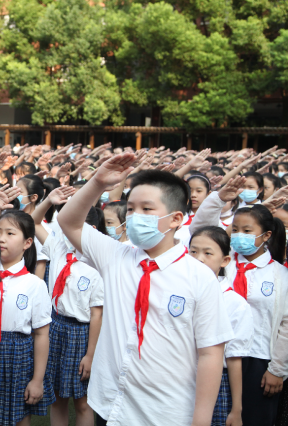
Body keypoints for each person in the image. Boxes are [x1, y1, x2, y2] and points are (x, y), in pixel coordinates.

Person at [57, 158, 233, 426]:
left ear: (175, 218)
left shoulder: (199, 277)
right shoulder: (116, 256)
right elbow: (68, 221)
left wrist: (201, 420)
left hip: (165, 411)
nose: (134, 216)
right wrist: (97, 182)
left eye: (146, 209)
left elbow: (210, 352)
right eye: (130, 209)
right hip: (111, 404)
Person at [191, 177, 288, 426]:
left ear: (266, 235)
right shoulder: (224, 261)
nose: (239, 236)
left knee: (255, 419)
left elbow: (286, 325)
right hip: (215, 352)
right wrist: (218, 198)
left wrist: (278, 369)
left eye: (247, 232)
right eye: (235, 230)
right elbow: (200, 229)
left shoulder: (280, 274)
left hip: (257, 358)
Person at [31, 187, 104, 426]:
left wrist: (90, 354)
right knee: (57, 397)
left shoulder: (98, 264)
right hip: (55, 326)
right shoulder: (59, 247)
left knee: (82, 400)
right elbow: (32, 221)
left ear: (91, 230)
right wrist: (48, 201)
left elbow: (97, 315)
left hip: (81, 334)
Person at [0, 209, 54, 426]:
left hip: (17, 355)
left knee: (17, 417)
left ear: (27, 243)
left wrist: (37, 379)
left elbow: (42, 334)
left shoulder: (34, 285)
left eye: (10, 233)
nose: (1, 239)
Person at [188, 226, 253, 426]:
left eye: (208, 253)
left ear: (224, 260)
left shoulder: (234, 303)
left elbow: (234, 359)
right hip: (180, 374)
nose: (199, 258)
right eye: (193, 252)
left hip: (215, 381)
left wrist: (236, 409)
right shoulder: (181, 292)